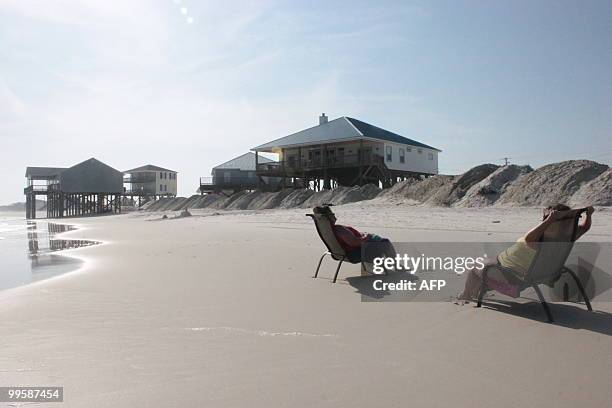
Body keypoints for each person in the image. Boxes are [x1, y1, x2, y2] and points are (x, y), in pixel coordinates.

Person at [457, 204, 594, 301]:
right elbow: (585, 228)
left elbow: (528, 238)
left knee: (475, 267)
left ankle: (466, 295)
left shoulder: (538, 239)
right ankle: (480, 290)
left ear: (550, 220)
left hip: (514, 275)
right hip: (536, 272)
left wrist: (548, 221)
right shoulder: (566, 237)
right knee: (487, 266)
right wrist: (589, 215)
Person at [313, 205, 396, 274]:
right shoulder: (339, 230)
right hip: (354, 255)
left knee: (377, 241)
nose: (334, 215)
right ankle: (396, 265)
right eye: (332, 214)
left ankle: (381, 263)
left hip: (338, 253)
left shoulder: (328, 230)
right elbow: (355, 243)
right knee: (385, 242)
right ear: (329, 217)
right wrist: (367, 237)